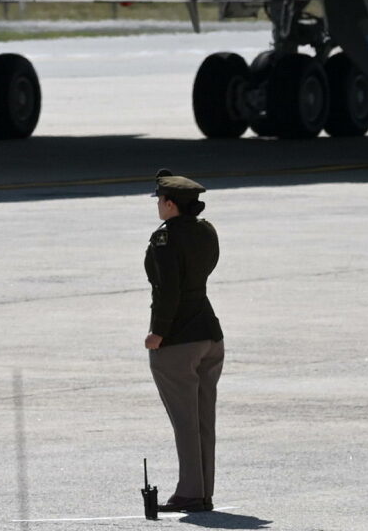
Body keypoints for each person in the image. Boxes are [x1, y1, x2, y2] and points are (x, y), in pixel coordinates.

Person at [144, 169, 224, 514]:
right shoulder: (206, 232)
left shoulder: (166, 239)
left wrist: (157, 331)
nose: (158, 206)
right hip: (210, 334)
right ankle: (202, 491)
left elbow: (168, 290)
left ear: (171, 204)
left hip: (178, 339)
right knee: (204, 420)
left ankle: (191, 493)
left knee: (185, 422)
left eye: (160, 201)